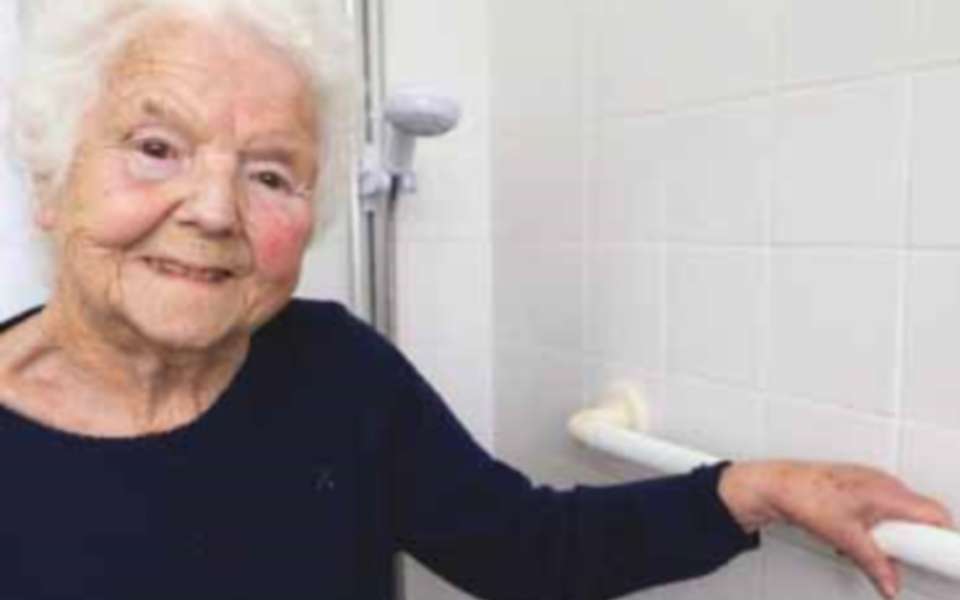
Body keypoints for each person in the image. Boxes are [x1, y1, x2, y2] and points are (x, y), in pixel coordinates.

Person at [0, 1, 950, 599]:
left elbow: (527, 550)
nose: (212, 210)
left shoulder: (336, 369)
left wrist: (753, 490)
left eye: (270, 174)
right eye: (157, 147)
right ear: (50, 179)